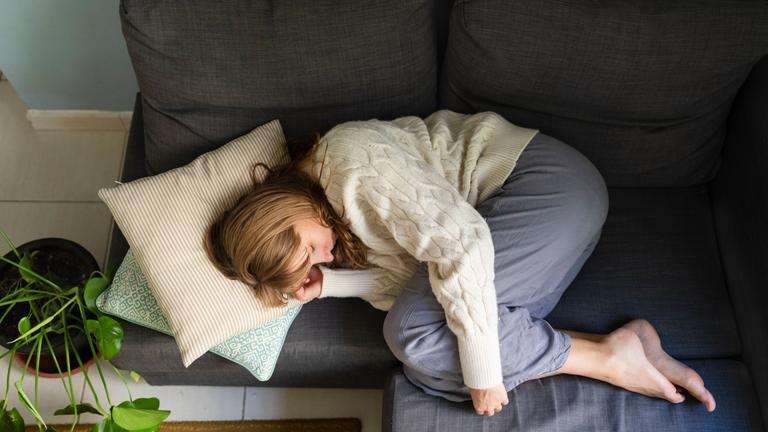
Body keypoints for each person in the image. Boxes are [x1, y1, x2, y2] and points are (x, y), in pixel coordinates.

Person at [203, 110, 717, 417]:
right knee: (426, 365)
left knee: (415, 336)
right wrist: (330, 285)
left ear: (287, 208)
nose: (325, 255)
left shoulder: (349, 165)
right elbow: (419, 281)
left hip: (544, 189)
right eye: (311, 261)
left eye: (309, 246)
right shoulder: (331, 218)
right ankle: (617, 350)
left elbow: (462, 244)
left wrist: (485, 372)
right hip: (532, 235)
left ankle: (605, 359)